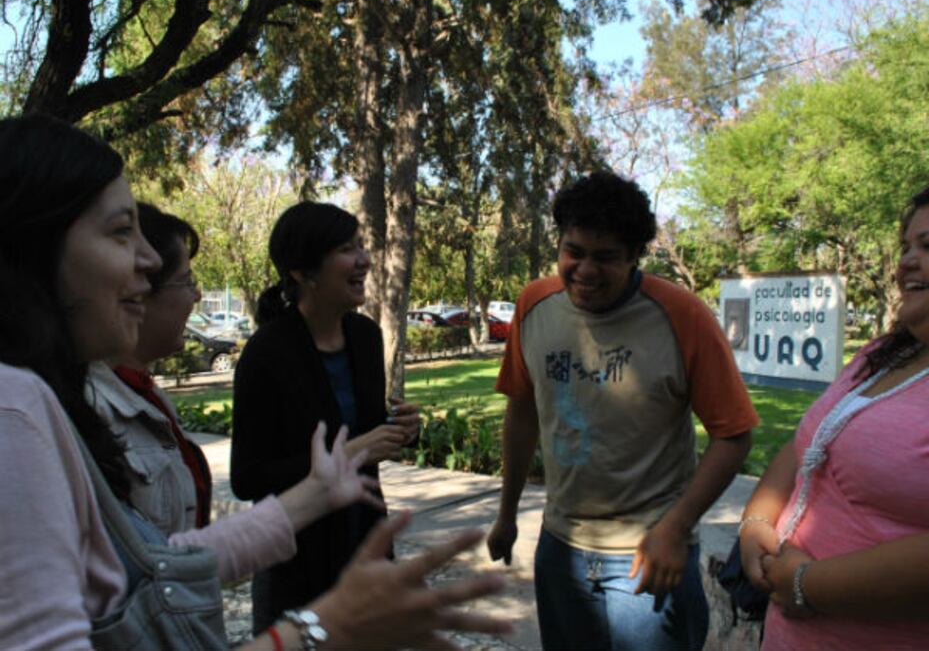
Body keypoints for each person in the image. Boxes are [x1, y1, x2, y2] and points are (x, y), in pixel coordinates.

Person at [0, 113, 510, 650]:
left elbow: (162, 562)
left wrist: (321, 489)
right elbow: (244, 481)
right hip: (302, 574)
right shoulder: (14, 409)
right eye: (121, 231)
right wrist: (319, 629)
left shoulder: (362, 336)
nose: (149, 261)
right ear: (34, 245)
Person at [486, 170, 758, 650]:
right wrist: (506, 515)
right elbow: (522, 412)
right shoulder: (534, 305)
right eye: (574, 252)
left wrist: (675, 529)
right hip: (560, 546)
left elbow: (733, 434)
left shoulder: (683, 315)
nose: (586, 271)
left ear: (635, 257)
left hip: (648, 554)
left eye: (606, 257)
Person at [739, 188, 929, 650]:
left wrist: (807, 583)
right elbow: (806, 445)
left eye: (928, 247)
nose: (906, 261)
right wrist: (756, 523)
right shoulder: (879, 355)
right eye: (906, 246)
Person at [231, 202, 421, 632]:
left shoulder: (365, 336)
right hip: (295, 568)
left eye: (361, 246)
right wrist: (354, 449)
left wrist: (402, 429)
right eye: (345, 249)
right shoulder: (266, 353)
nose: (364, 260)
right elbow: (249, 478)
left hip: (368, 551)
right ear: (302, 272)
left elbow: (368, 430)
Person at [86, 203, 212, 535]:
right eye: (186, 281)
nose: (197, 295)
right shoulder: (86, 408)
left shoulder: (145, 394)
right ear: (139, 293)